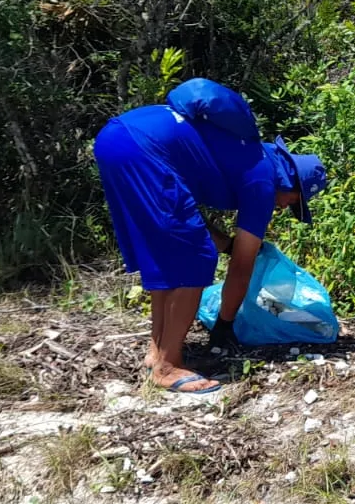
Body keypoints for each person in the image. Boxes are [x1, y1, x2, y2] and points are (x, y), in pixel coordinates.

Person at [93, 79, 327, 395]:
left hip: (116, 137)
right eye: (294, 202)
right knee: (198, 258)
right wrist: (225, 326)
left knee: (168, 255)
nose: (285, 207)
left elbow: (193, 221)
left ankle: (156, 352)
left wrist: (227, 244)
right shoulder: (263, 180)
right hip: (142, 149)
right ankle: (168, 366)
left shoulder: (250, 155)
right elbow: (242, 266)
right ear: (292, 184)